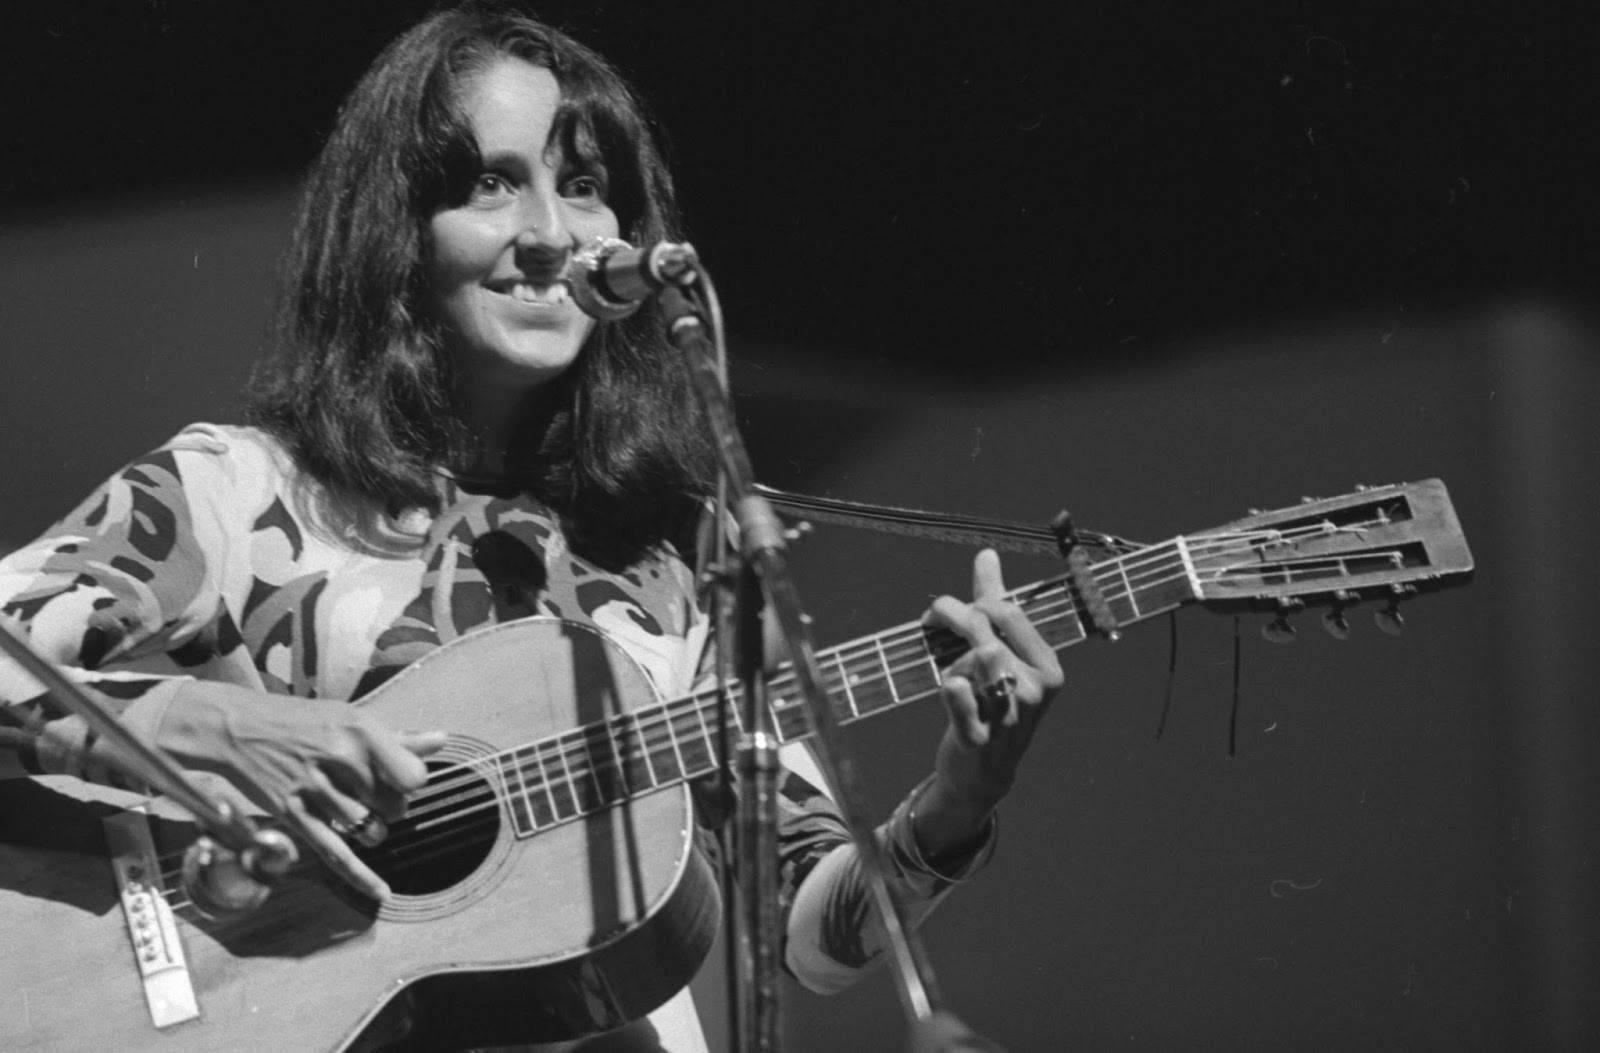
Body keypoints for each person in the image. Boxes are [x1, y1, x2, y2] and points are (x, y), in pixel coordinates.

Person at [0, 4, 1062, 1050]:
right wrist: (224, 730)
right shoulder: (237, 491)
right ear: (396, 233)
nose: (553, 235)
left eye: (585, 185)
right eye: (492, 183)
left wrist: (957, 801)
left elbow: (809, 937)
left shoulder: (679, 556)